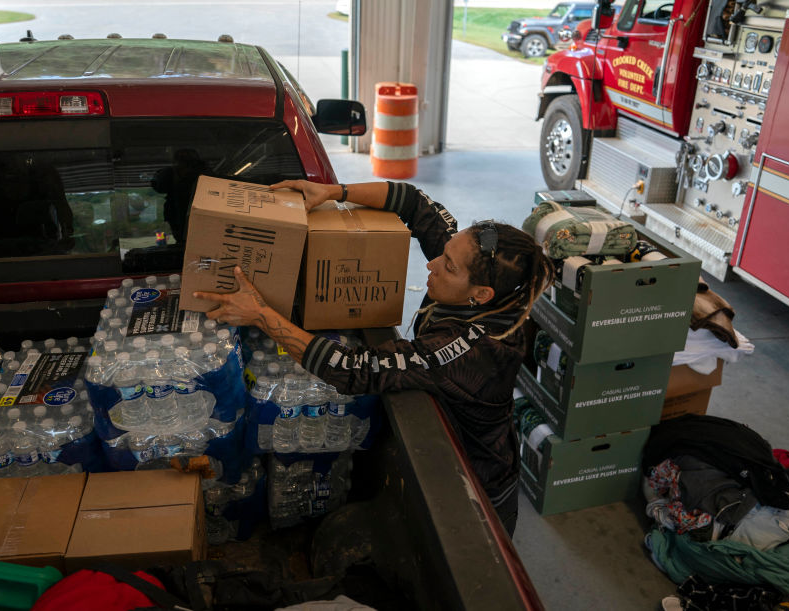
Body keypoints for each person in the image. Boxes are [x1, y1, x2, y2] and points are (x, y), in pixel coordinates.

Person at [193, 180, 552, 535]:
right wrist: (334, 192)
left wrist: (260, 315)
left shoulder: (469, 350)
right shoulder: (473, 265)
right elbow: (414, 201)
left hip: (472, 490)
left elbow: (353, 369)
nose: (433, 264)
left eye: (449, 267)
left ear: (481, 295)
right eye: (445, 254)